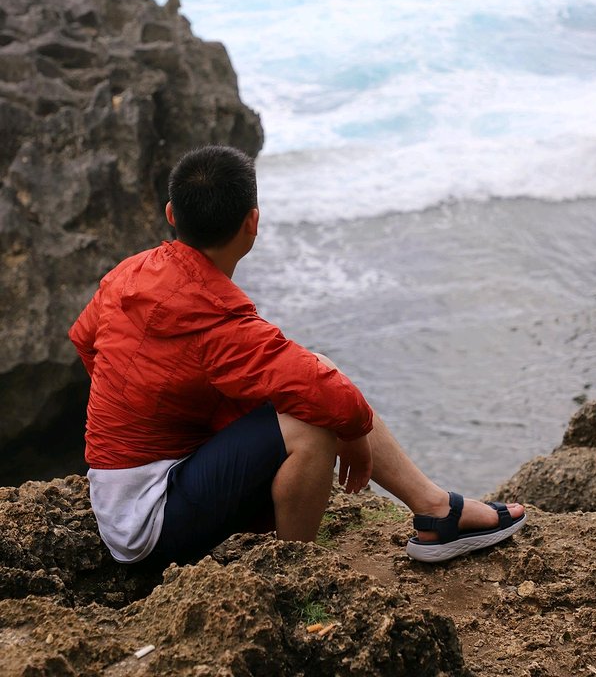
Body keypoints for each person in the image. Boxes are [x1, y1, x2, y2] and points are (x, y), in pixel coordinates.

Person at [69, 145, 526, 568]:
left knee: (317, 369)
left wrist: (154, 409)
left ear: (171, 214)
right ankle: (296, 574)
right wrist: (354, 436)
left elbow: (85, 341)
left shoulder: (129, 274)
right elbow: (330, 399)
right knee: (311, 424)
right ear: (253, 223)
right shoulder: (219, 322)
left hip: (125, 496)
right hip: (147, 526)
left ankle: (434, 508)